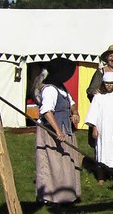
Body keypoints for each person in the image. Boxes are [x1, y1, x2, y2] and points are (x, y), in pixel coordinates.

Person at [34, 57, 81, 205]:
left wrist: (75, 113)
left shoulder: (61, 88)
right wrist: (58, 131)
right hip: (51, 132)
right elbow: (47, 111)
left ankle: (68, 194)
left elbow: (72, 103)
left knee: (66, 162)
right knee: (53, 163)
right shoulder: (49, 90)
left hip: (64, 129)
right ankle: (50, 197)